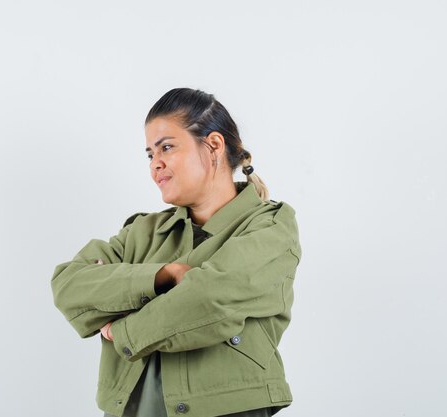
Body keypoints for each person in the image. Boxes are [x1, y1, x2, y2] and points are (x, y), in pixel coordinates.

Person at [51, 88, 301, 417]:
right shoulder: (143, 232)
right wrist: (162, 276)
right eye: (150, 154)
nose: (156, 165)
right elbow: (69, 285)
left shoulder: (270, 226)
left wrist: (124, 331)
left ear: (213, 146)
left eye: (166, 147)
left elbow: (210, 298)